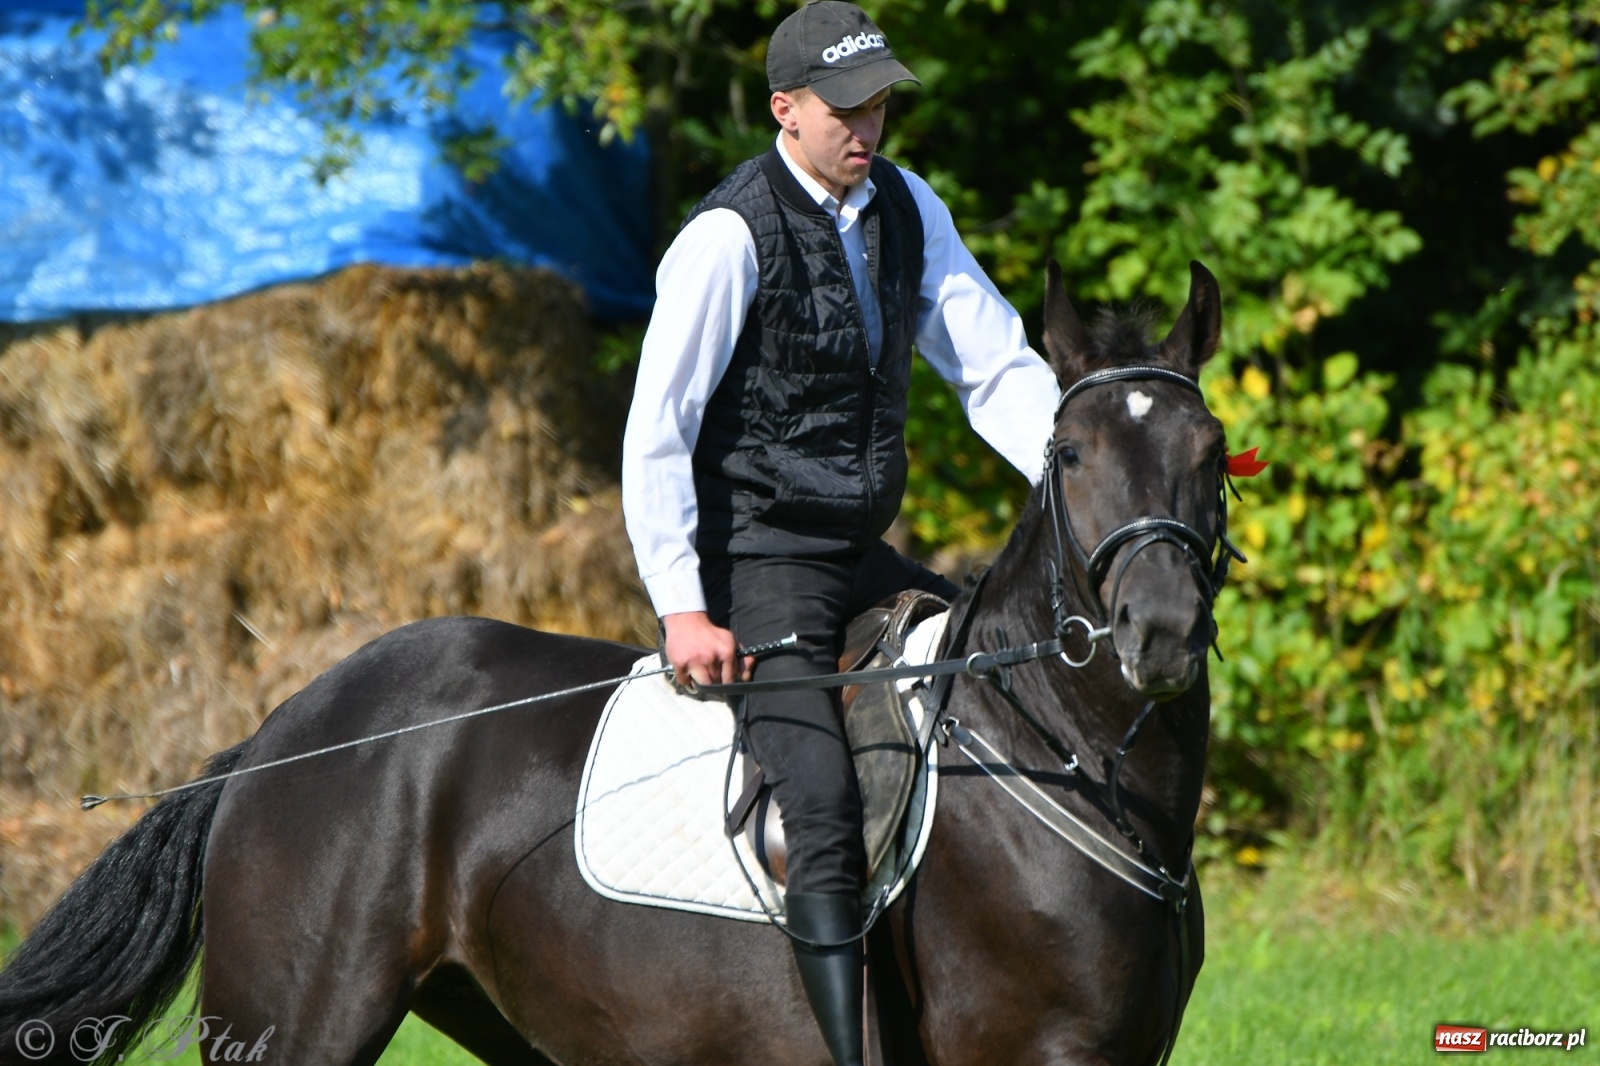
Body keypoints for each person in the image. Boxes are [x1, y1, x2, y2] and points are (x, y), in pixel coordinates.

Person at [620, 3, 1059, 1062]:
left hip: (861, 555)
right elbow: (656, 433)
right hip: (757, 567)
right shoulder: (726, 239)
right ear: (785, 108)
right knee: (819, 802)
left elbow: (994, 367)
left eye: (880, 105)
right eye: (844, 108)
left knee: (1006, 693)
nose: (868, 126)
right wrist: (683, 607)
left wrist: (1092, 468)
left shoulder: (908, 207)